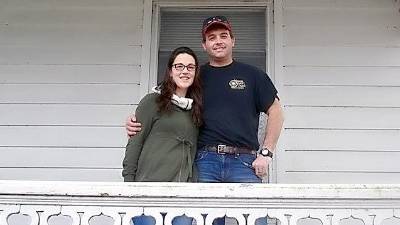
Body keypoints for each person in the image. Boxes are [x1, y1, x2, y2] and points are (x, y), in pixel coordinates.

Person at [126, 16, 284, 225]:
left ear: (233, 40)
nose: (218, 41)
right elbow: (164, 96)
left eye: (223, 36)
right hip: (204, 161)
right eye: (211, 37)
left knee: (256, 220)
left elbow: (276, 111)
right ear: (204, 44)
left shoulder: (253, 75)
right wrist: (133, 120)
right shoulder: (195, 76)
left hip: (244, 162)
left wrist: (266, 153)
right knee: (205, 220)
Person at [122, 46, 202, 225]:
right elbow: (135, 143)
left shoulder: (196, 109)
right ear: (170, 71)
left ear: (196, 72)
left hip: (183, 193)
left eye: (190, 67)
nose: (185, 71)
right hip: (148, 190)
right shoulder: (152, 101)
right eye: (179, 66)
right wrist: (129, 184)